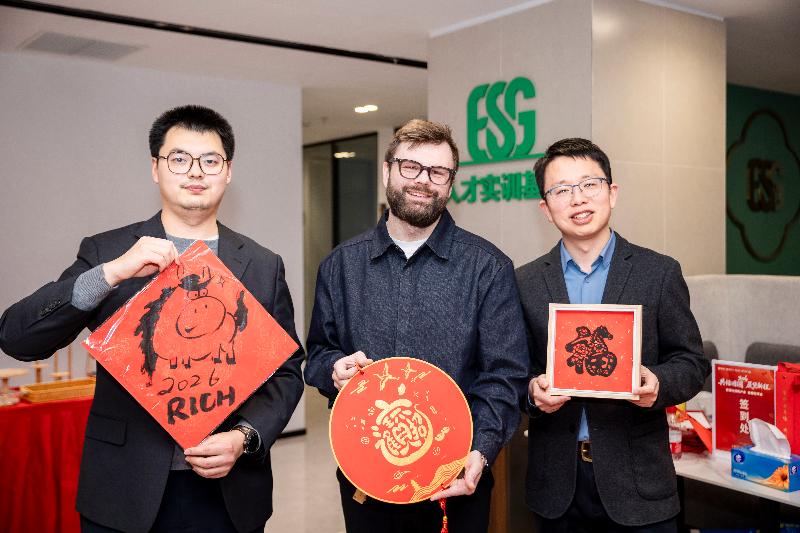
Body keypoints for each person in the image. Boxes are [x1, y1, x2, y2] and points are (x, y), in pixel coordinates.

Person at [0, 105, 304, 533]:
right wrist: (111, 274)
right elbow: (17, 338)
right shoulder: (109, 251)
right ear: (155, 168)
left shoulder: (262, 264)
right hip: (124, 489)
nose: (195, 171)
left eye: (210, 160)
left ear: (228, 172)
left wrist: (244, 437)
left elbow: (286, 372)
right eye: (179, 158)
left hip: (229, 493)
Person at [304, 119, 529, 532]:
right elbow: (318, 354)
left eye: (438, 171)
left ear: (450, 182)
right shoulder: (341, 265)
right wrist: (334, 369)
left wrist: (481, 450)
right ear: (387, 171)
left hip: (456, 481)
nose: (423, 180)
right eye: (410, 167)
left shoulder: (488, 268)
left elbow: (505, 375)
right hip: (366, 480)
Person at [515, 138, 710, 532]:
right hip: (557, 488)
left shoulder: (658, 273)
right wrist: (532, 392)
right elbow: (510, 372)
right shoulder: (524, 282)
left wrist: (658, 383)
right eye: (561, 190)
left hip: (639, 487)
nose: (578, 199)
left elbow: (692, 363)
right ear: (546, 209)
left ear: (612, 193)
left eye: (589, 184)